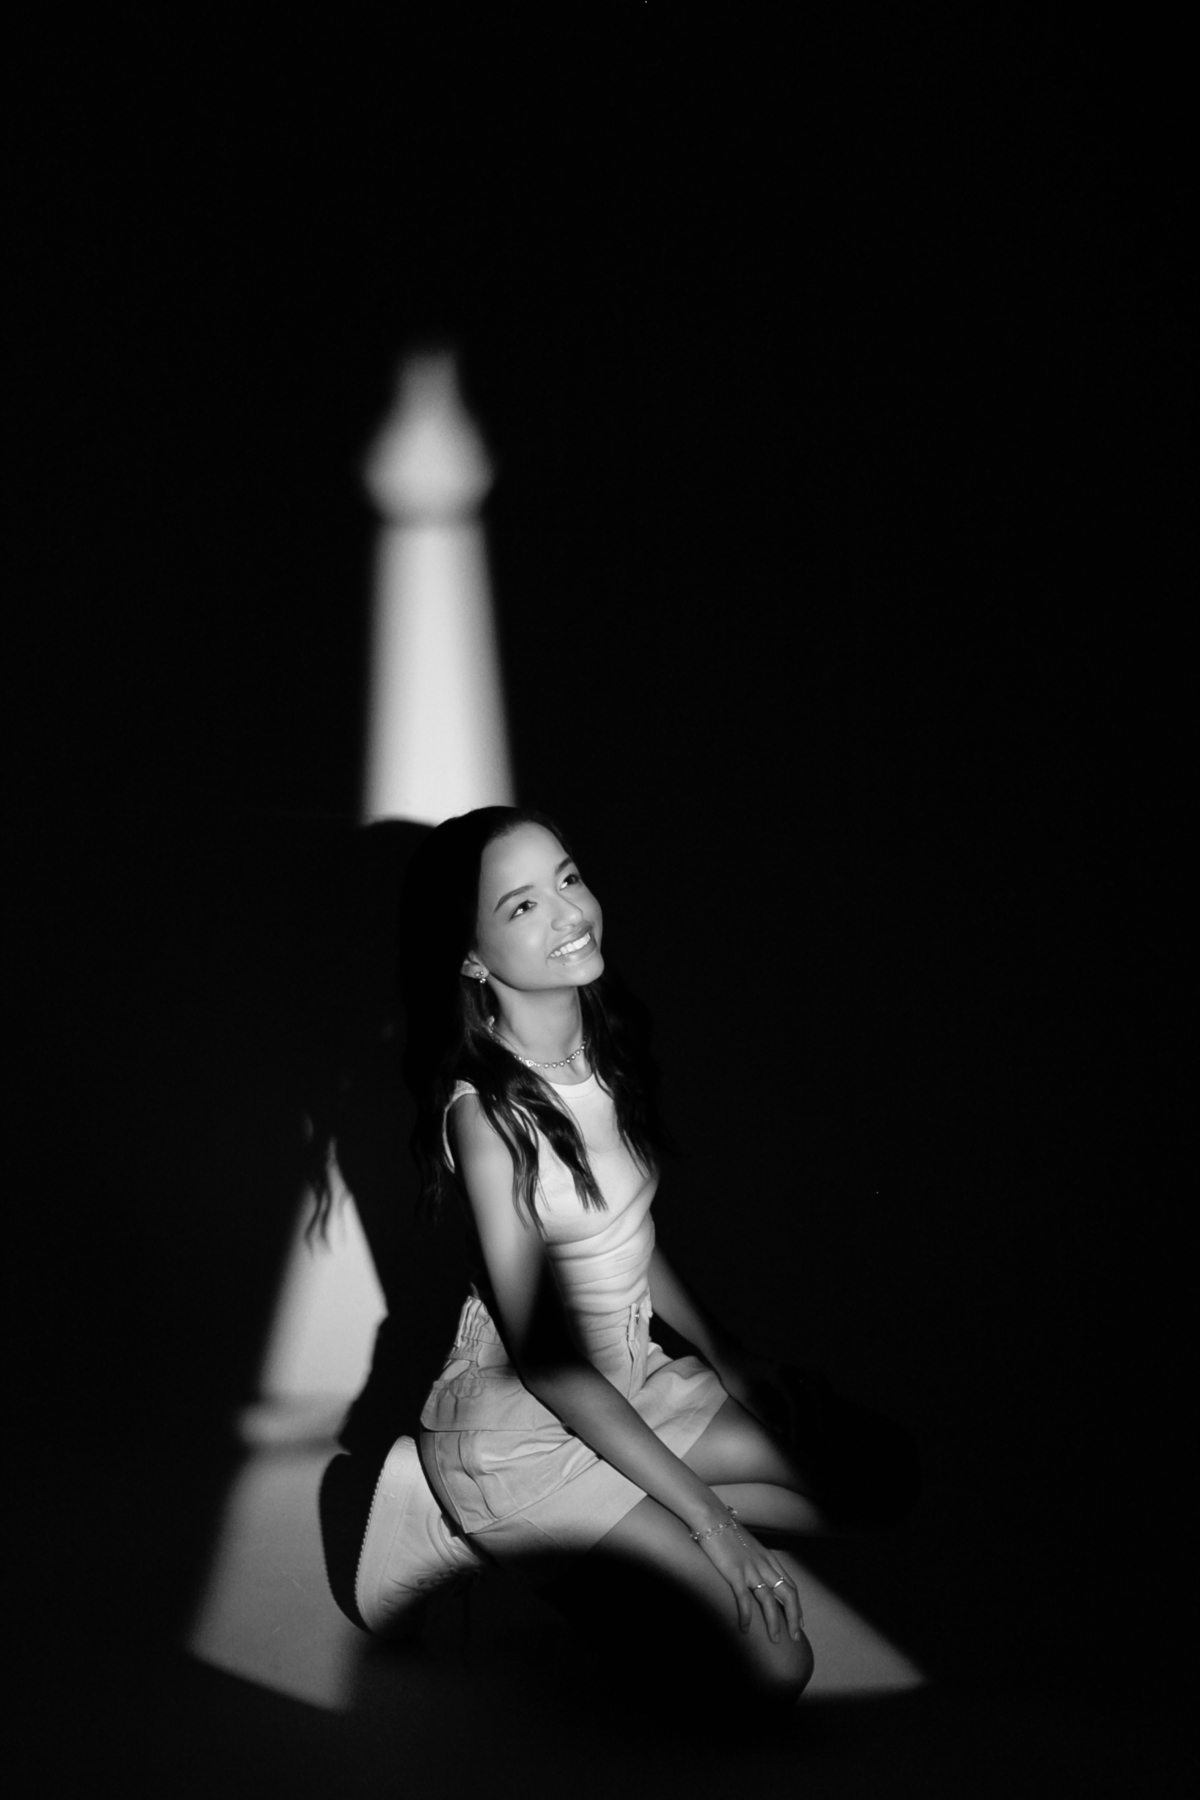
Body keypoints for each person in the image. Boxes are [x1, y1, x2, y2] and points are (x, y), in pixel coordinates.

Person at [344, 804, 824, 1704]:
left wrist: (726, 1359)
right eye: (522, 905)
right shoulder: (489, 1117)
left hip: (629, 1379)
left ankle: (597, 1517)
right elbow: (548, 1363)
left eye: (567, 879)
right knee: (778, 1668)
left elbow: (627, 1235)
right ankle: (452, 1522)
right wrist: (712, 1526)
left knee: (831, 1491)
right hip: (520, 1431)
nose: (570, 914)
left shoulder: (602, 1045)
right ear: (471, 956)